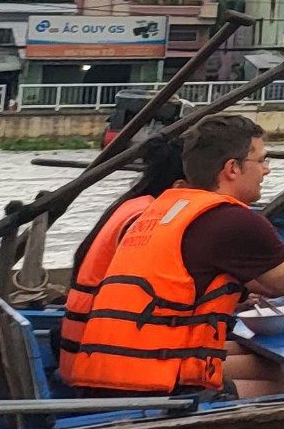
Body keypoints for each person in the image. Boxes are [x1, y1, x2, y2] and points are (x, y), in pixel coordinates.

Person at [58, 113, 284, 397]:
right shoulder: (231, 221)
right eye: (262, 160)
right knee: (280, 392)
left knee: (269, 368)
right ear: (232, 168)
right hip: (153, 387)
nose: (268, 170)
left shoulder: (166, 208)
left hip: (107, 368)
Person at [56, 132, 190, 371]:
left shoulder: (131, 205)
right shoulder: (147, 221)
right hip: (103, 358)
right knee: (265, 376)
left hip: (84, 346)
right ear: (180, 185)